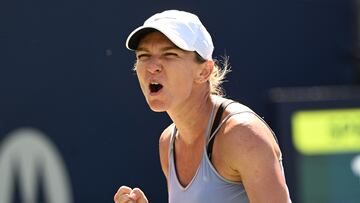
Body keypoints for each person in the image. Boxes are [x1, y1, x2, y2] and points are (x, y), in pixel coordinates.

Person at [114, 10, 292, 203]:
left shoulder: (243, 135)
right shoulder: (168, 143)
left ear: (204, 71)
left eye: (170, 54)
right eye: (144, 56)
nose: (152, 66)